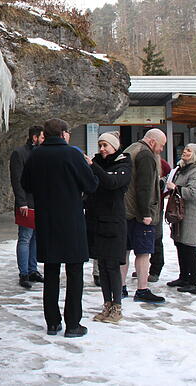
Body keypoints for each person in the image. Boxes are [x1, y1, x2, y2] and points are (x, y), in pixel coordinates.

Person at [21, 118, 99, 338]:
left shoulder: (36, 155)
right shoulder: (72, 154)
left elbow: (26, 184)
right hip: (71, 220)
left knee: (52, 272)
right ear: (63, 133)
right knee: (74, 273)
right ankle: (73, 323)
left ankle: (53, 322)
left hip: (47, 220)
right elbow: (91, 184)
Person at [85, 132, 131, 323]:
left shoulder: (124, 164)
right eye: (100, 145)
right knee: (102, 266)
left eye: (106, 145)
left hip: (113, 222)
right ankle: (106, 304)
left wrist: (93, 166)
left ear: (114, 147)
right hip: (96, 220)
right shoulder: (97, 164)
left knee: (112, 266)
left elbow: (112, 183)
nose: (102, 149)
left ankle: (117, 307)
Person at [122, 128, 167, 303]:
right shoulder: (146, 155)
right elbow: (144, 187)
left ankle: (120, 289)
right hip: (139, 215)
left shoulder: (131, 149)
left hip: (125, 212)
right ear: (153, 142)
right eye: (161, 146)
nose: (161, 150)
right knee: (143, 253)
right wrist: (146, 213)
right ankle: (142, 289)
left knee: (123, 252)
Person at [166, 143, 196, 295]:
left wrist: (175, 188)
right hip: (180, 214)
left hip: (192, 214)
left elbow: (193, 192)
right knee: (180, 245)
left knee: (190, 247)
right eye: (185, 149)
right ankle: (184, 277)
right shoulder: (182, 169)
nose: (185, 152)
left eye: (189, 150)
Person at [10, 125, 45, 289]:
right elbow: (17, 180)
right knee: (25, 237)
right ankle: (23, 273)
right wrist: (22, 202)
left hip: (39, 202)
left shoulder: (41, 153)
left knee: (36, 237)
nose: (44, 140)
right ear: (34, 137)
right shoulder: (20, 153)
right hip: (26, 203)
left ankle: (33, 269)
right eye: (42, 137)